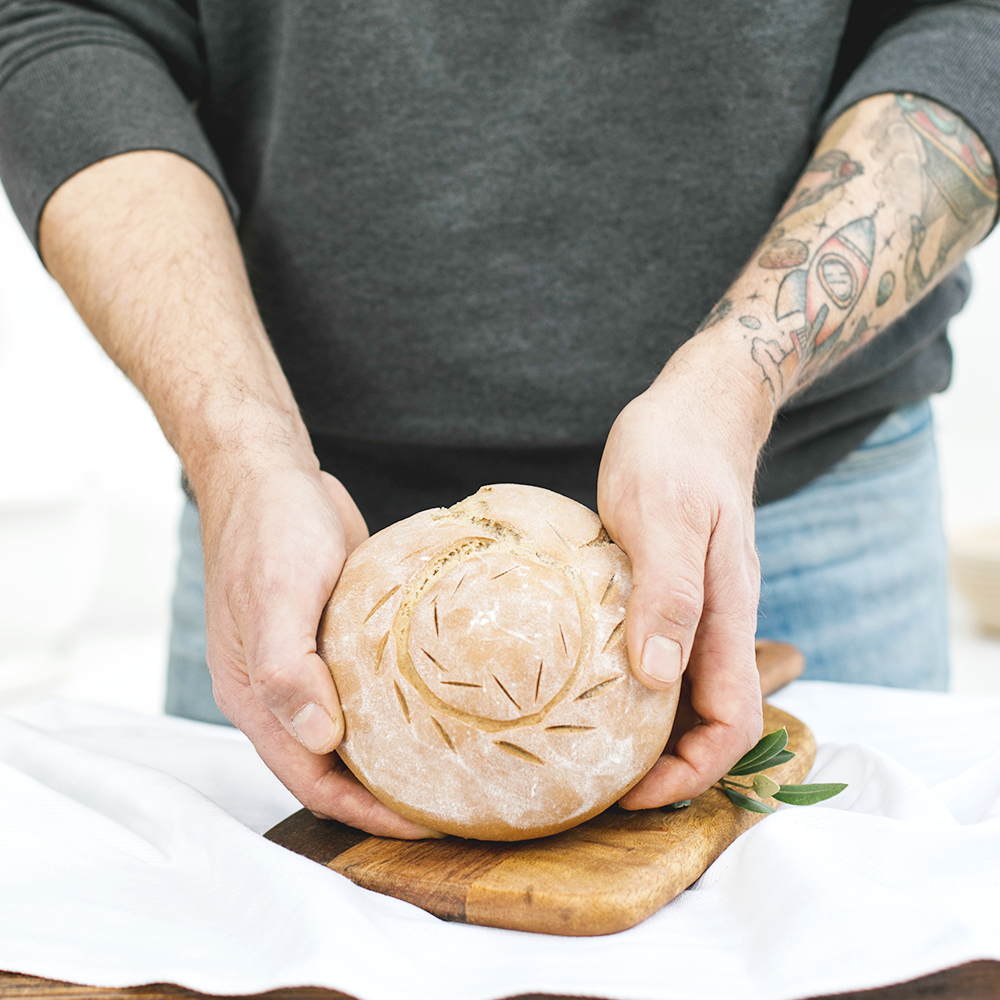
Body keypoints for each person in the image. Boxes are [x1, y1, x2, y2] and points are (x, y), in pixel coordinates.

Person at [0, 2, 997, 838]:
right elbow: (64, 23)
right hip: (288, 553)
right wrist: (238, 449)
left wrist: (740, 375)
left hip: (789, 510)